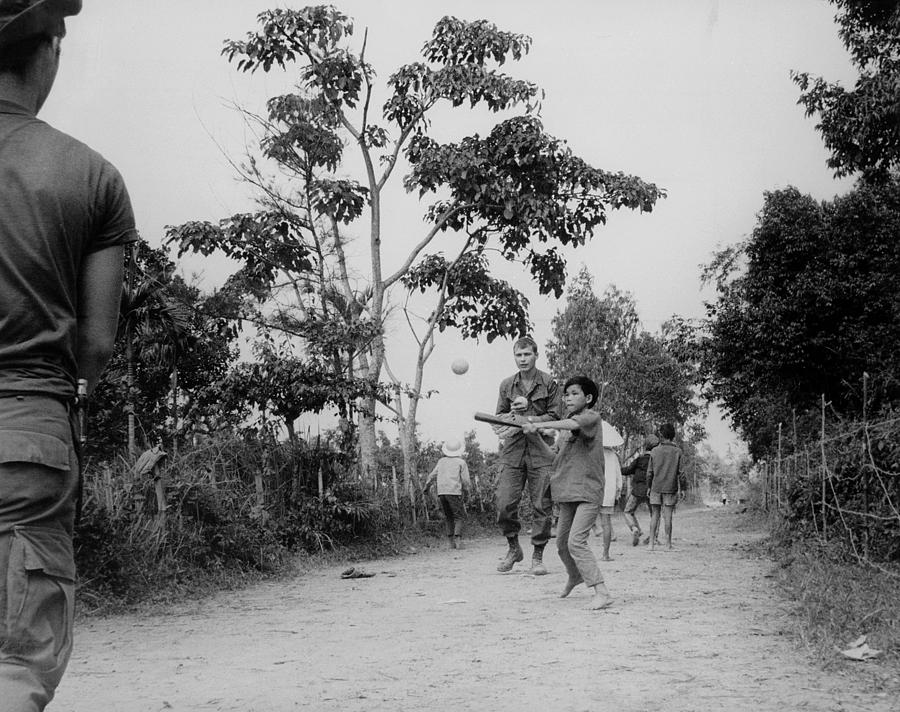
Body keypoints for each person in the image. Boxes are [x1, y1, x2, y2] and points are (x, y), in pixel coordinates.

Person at [0, 2, 138, 708]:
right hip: (28, 433)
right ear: (50, 49)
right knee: (15, 662)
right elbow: (96, 343)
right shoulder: (91, 175)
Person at [522, 375, 613, 610]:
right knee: (562, 544)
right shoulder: (564, 431)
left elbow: (572, 424)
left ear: (588, 398)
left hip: (587, 491)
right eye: (567, 394)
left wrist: (539, 423)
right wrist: (534, 437)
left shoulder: (591, 417)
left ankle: (602, 591)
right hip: (567, 492)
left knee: (576, 542)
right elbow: (554, 456)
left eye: (575, 393)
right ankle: (575, 575)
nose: (569, 398)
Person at [493, 336, 560, 575]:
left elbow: (556, 418)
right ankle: (513, 549)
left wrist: (529, 418)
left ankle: (538, 556)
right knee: (503, 503)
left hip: (541, 450)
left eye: (527, 354)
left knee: (541, 504)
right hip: (512, 450)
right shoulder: (507, 385)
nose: (522, 359)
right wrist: (511, 413)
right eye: (518, 355)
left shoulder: (549, 382)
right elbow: (499, 418)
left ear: (536, 355)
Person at [424, 438, 471, 549]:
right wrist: (467, 493)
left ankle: (450, 542)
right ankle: (458, 540)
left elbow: (432, 475)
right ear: (459, 451)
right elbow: (465, 481)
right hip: (454, 492)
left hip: (442, 493)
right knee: (459, 516)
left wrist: (426, 487)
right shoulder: (461, 462)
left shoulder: (441, 461)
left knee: (448, 516)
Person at [647, 423, 683, 552]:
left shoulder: (654, 451)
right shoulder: (678, 451)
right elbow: (681, 472)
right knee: (668, 516)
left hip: (656, 487)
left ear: (661, 435)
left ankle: (651, 544)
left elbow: (649, 472)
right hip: (670, 487)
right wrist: (682, 488)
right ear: (673, 435)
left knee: (655, 515)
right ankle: (668, 544)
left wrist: (649, 487)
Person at [621, 435, 658, 546]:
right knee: (655, 514)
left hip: (637, 490)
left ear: (646, 446)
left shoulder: (640, 459)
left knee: (628, 511)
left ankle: (635, 528)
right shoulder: (657, 460)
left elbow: (627, 470)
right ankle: (653, 538)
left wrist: (618, 469)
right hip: (652, 491)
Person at [595, 445, 623, 561]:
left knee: (585, 519)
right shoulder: (613, 455)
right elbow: (618, 475)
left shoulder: (593, 451)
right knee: (606, 524)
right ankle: (605, 554)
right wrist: (619, 490)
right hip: (608, 492)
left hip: (593, 490)